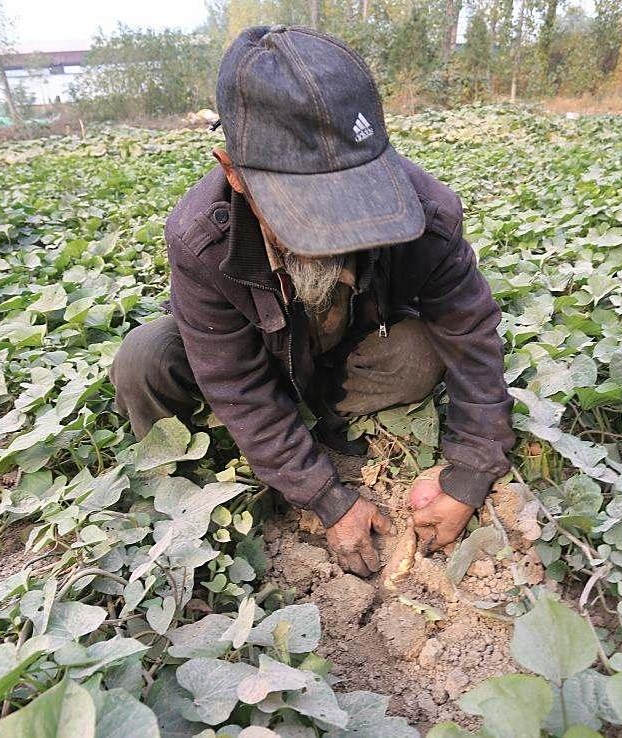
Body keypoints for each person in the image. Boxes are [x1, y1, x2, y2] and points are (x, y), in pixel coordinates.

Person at [110, 25, 514, 577]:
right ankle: (185, 484)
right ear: (234, 174)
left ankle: (314, 423)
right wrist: (326, 497)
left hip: (347, 349)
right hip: (258, 356)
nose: (337, 232)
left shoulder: (427, 212)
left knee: (422, 353)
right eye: (308, 208)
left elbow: (470, 336)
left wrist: (470, 473)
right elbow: (236, 382)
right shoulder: (202, 238)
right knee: (147, 357)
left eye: (352, 197)